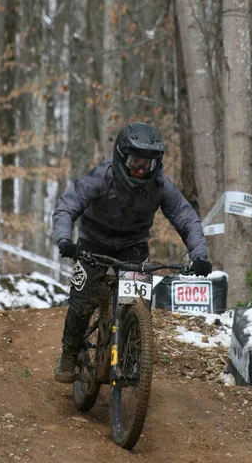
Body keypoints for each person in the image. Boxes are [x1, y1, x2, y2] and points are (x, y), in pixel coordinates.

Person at [52, 122, 212, 383]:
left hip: (133, 245)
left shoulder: (160, 185)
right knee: (82, 302)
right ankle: (69, 355)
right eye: (135, 161)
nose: (140, 169)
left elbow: (186, 217)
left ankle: (134, 357)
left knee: (138, 304)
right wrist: (64, 239)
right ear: (120, 157)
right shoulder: (101, 176)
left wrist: (200, 256)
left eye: (147, 164)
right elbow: (67, 205)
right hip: (93, 242)